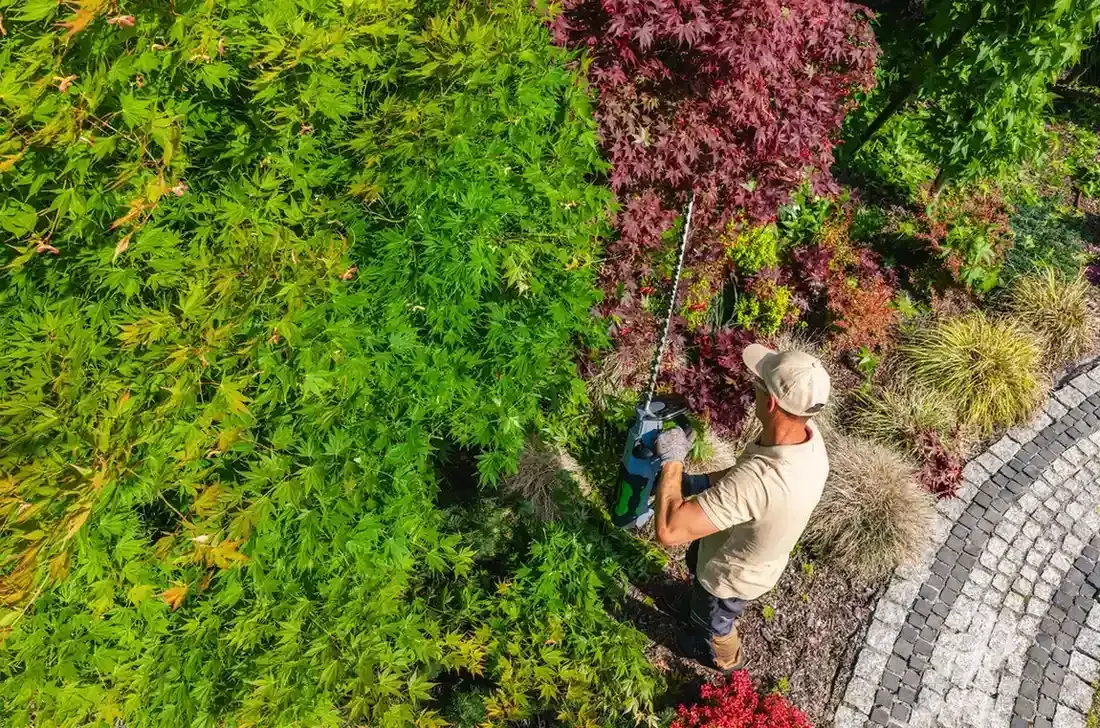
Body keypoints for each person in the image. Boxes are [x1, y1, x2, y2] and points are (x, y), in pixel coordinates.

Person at [651, 343, 831, 672]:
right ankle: (693, 607)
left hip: (730, 578)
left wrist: (673, 462)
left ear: (771, 403)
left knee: (715, 622)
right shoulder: (807, 439)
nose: (753, 386)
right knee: (699, 587)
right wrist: (698, 483)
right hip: (744, 550)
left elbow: (670, 530)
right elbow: (745, 480)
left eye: (758, 383)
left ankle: (723, 658)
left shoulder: (761, 481)